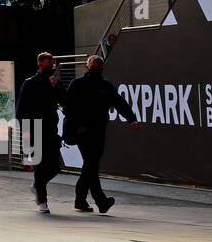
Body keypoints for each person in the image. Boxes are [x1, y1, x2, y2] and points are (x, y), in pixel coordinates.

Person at [64, 54, 139, 214]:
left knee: (91, 166)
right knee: (91, 165)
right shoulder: (101, 85)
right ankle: (97, 201)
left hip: (91, 131)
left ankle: (85, 201)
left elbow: (118, 102)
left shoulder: (81, 84)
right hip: (87, 132)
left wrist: (131, 118)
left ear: (86, 67)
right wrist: (131, 118)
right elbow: (69, 108)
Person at [16, 52, 63, 213]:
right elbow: (20, 110)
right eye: (48, 63)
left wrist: (56, 86)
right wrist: (25, 131)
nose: (51, 66)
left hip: (51, 128)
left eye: (52, 63)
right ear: (39, 65)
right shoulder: (30, 83)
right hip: (34, 128)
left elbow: (64, 101)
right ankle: (42, 201)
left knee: (55, 166)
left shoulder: (55, 82)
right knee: (41, 165)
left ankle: (36, 185)